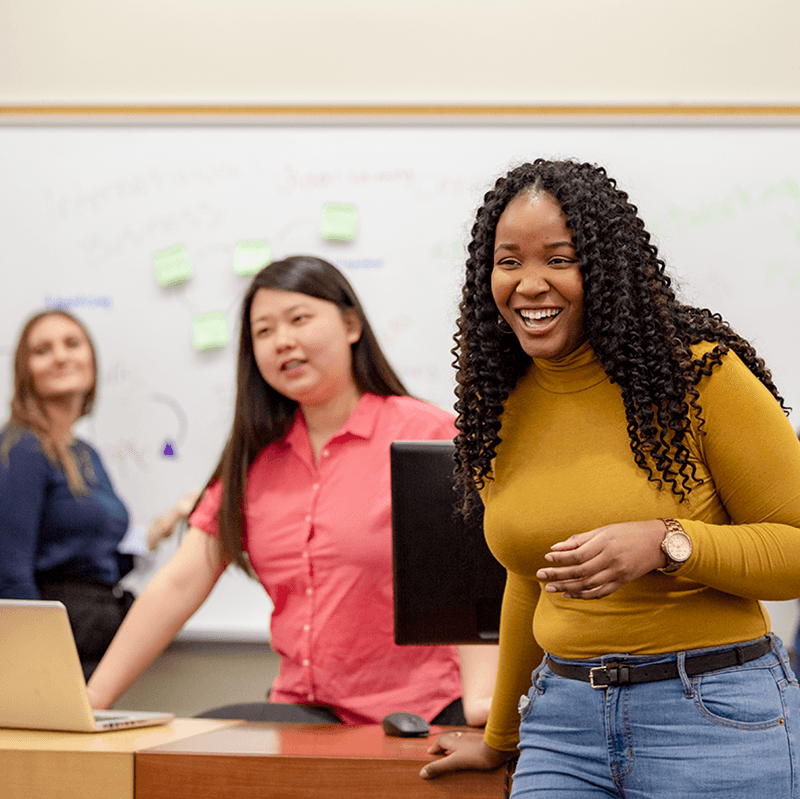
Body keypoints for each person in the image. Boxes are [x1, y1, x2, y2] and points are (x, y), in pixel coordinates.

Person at [421, 160, 800, 796]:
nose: (529, 284)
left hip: (710, 713)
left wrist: (667, 542)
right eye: (508, 261)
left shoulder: (700, 375)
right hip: (561, 724)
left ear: (607, 270)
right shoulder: (498, 401)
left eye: (559, 259)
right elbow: (528, 578)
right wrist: (500, 742)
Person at [87, 255, 497, 726]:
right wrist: (91, 699)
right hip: (303, 709)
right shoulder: (254, 459)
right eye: (263, 331)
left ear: (350, 325)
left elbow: (478, 582)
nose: (282, 341)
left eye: (299, 319)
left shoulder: (427, 435)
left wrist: (482, 709)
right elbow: (179, 583)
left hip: (420, 712)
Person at [0, 310, 134, 680]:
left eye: (72, 344)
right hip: (54, 649)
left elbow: (92, 556)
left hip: (96, 638)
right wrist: (41, 666)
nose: (61, 356)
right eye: (42, 350)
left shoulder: (85, 453)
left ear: (92, 359)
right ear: (24, 371)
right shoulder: (21, 450)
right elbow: (10, 575)